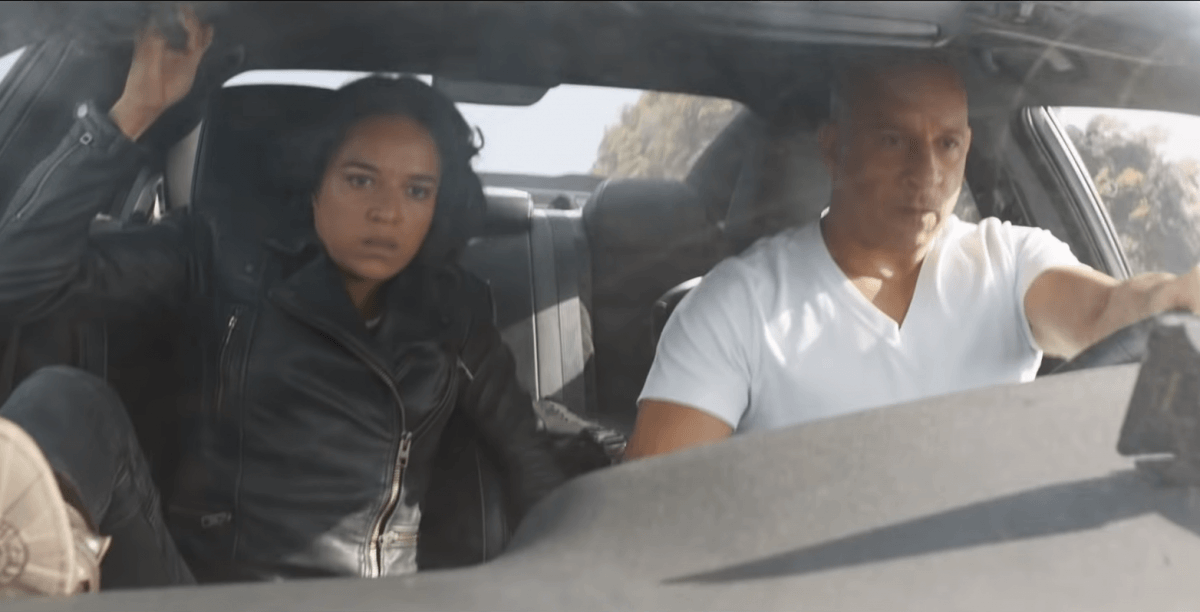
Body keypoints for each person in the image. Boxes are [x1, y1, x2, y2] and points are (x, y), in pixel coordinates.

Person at [0, 10, 565, 596]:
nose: (387, 212)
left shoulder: (453, 314)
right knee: (65, 398)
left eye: (417, 190)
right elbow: (18, 276)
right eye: (360, 179)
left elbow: (530, 462)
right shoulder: (220, 254)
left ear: (438, 207)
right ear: (314, 184)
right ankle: (29, 566)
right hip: (199, 593)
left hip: (369, 601)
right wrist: (134, 112)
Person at [623, 51, 1200, 459]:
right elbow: (653, 515)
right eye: (893, 140)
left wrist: (1171, 300)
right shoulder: (736, 306)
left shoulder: (1009, 260)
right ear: (835, 149)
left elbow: (1102, 312)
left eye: (947, 144)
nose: (926, 173)